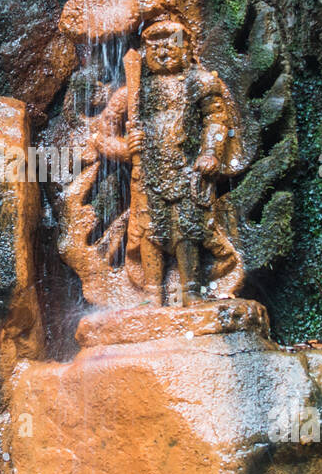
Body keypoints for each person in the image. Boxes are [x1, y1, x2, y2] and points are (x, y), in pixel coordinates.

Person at [92, 16, 242, 303]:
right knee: (151, 231)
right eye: (155, 48)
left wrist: (210, 152)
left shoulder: (200, 82)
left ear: (187, 50)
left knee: (188, 229)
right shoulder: (132, 93)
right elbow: (101, 136)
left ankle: (191, 292)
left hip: (187, 170)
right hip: (148, 174)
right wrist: (124, 147)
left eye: (171, 47)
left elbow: (216, 119)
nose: (162, 53)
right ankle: (153, 294)